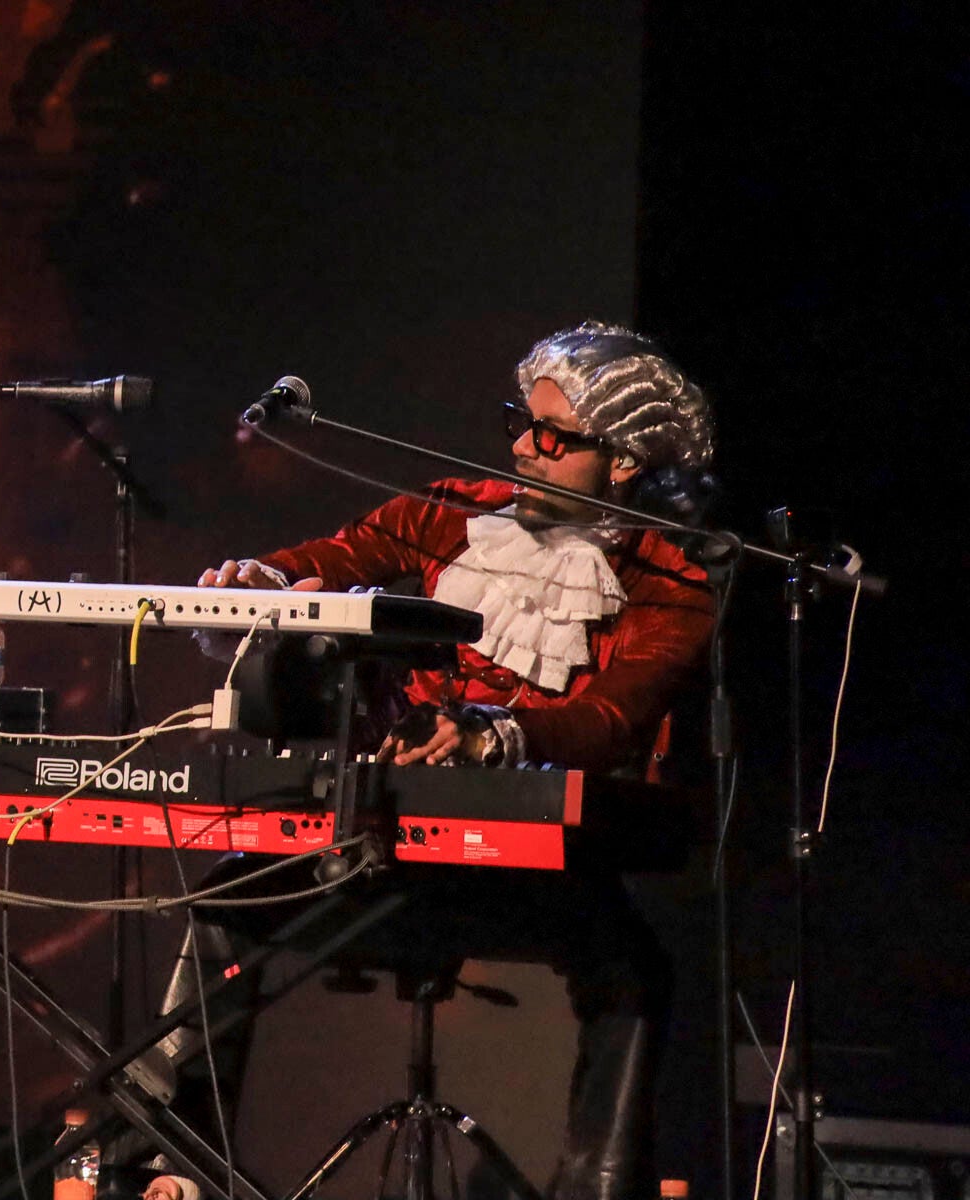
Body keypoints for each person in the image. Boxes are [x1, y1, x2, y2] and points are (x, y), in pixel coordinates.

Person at [186, 321, 718, 1200]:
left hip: (535, 872)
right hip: (385, 846)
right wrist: (262, 582)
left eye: (553, 437)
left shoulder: (672, 580)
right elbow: (331, 562)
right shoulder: (445, 515)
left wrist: (498, 734)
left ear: (623, 461)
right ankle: (174, 1167)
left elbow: (612, 719)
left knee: (630, 969)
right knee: (225, 897)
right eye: (522, 424)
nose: (524, 448)